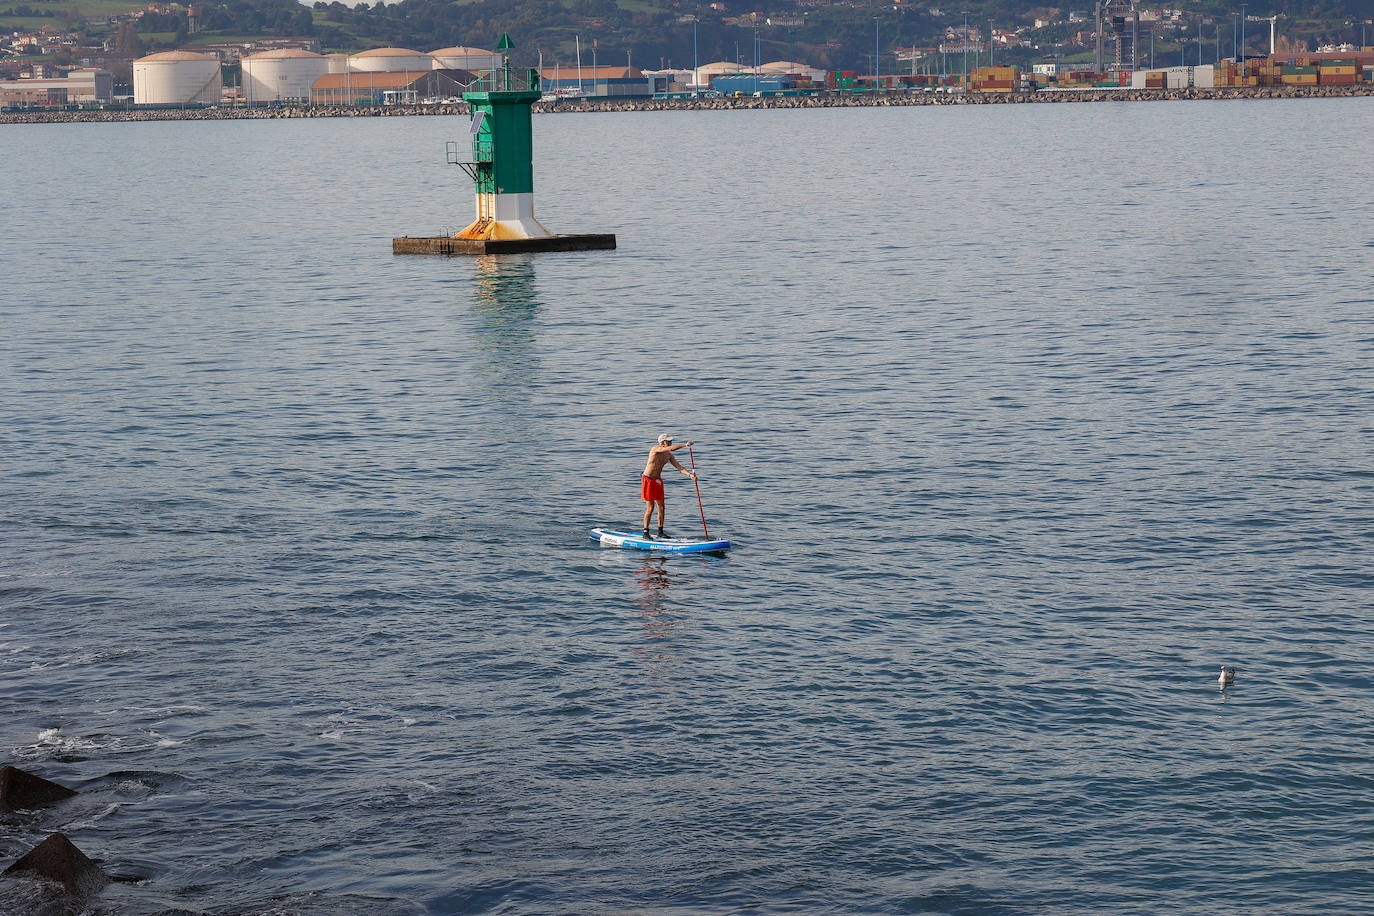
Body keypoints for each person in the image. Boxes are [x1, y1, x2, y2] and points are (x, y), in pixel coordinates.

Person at [641, 433, 695, 539]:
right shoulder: (655, 449)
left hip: (658, 480)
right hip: (648, 480)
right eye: (668, 441)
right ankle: (646, 532)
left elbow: (679, 467)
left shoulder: (668, 455)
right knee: (650, 508)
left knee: (661, 507)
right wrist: (685, 445)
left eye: (671, 441)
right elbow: (672, 448)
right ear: (662, 443)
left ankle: (660, 532)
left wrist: (690, 475)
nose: (670, 443)